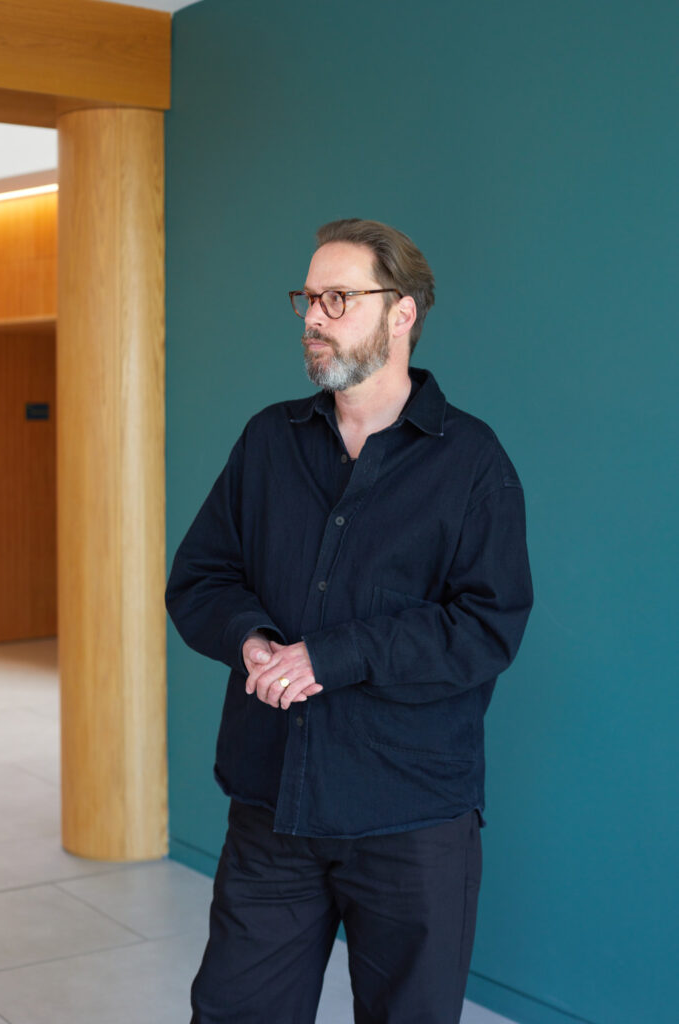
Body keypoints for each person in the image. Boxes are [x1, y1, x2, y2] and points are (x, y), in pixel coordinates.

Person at [165, 218, 533, 1024]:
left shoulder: (472, 461)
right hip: (272, 809)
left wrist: (330, 656)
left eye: (337, 297)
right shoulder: (268, 441)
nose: (312, 317)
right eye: (306, 298)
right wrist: (252, 639)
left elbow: (486, 627)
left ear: (400, 313)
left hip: (410, 818)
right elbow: (199, 579)